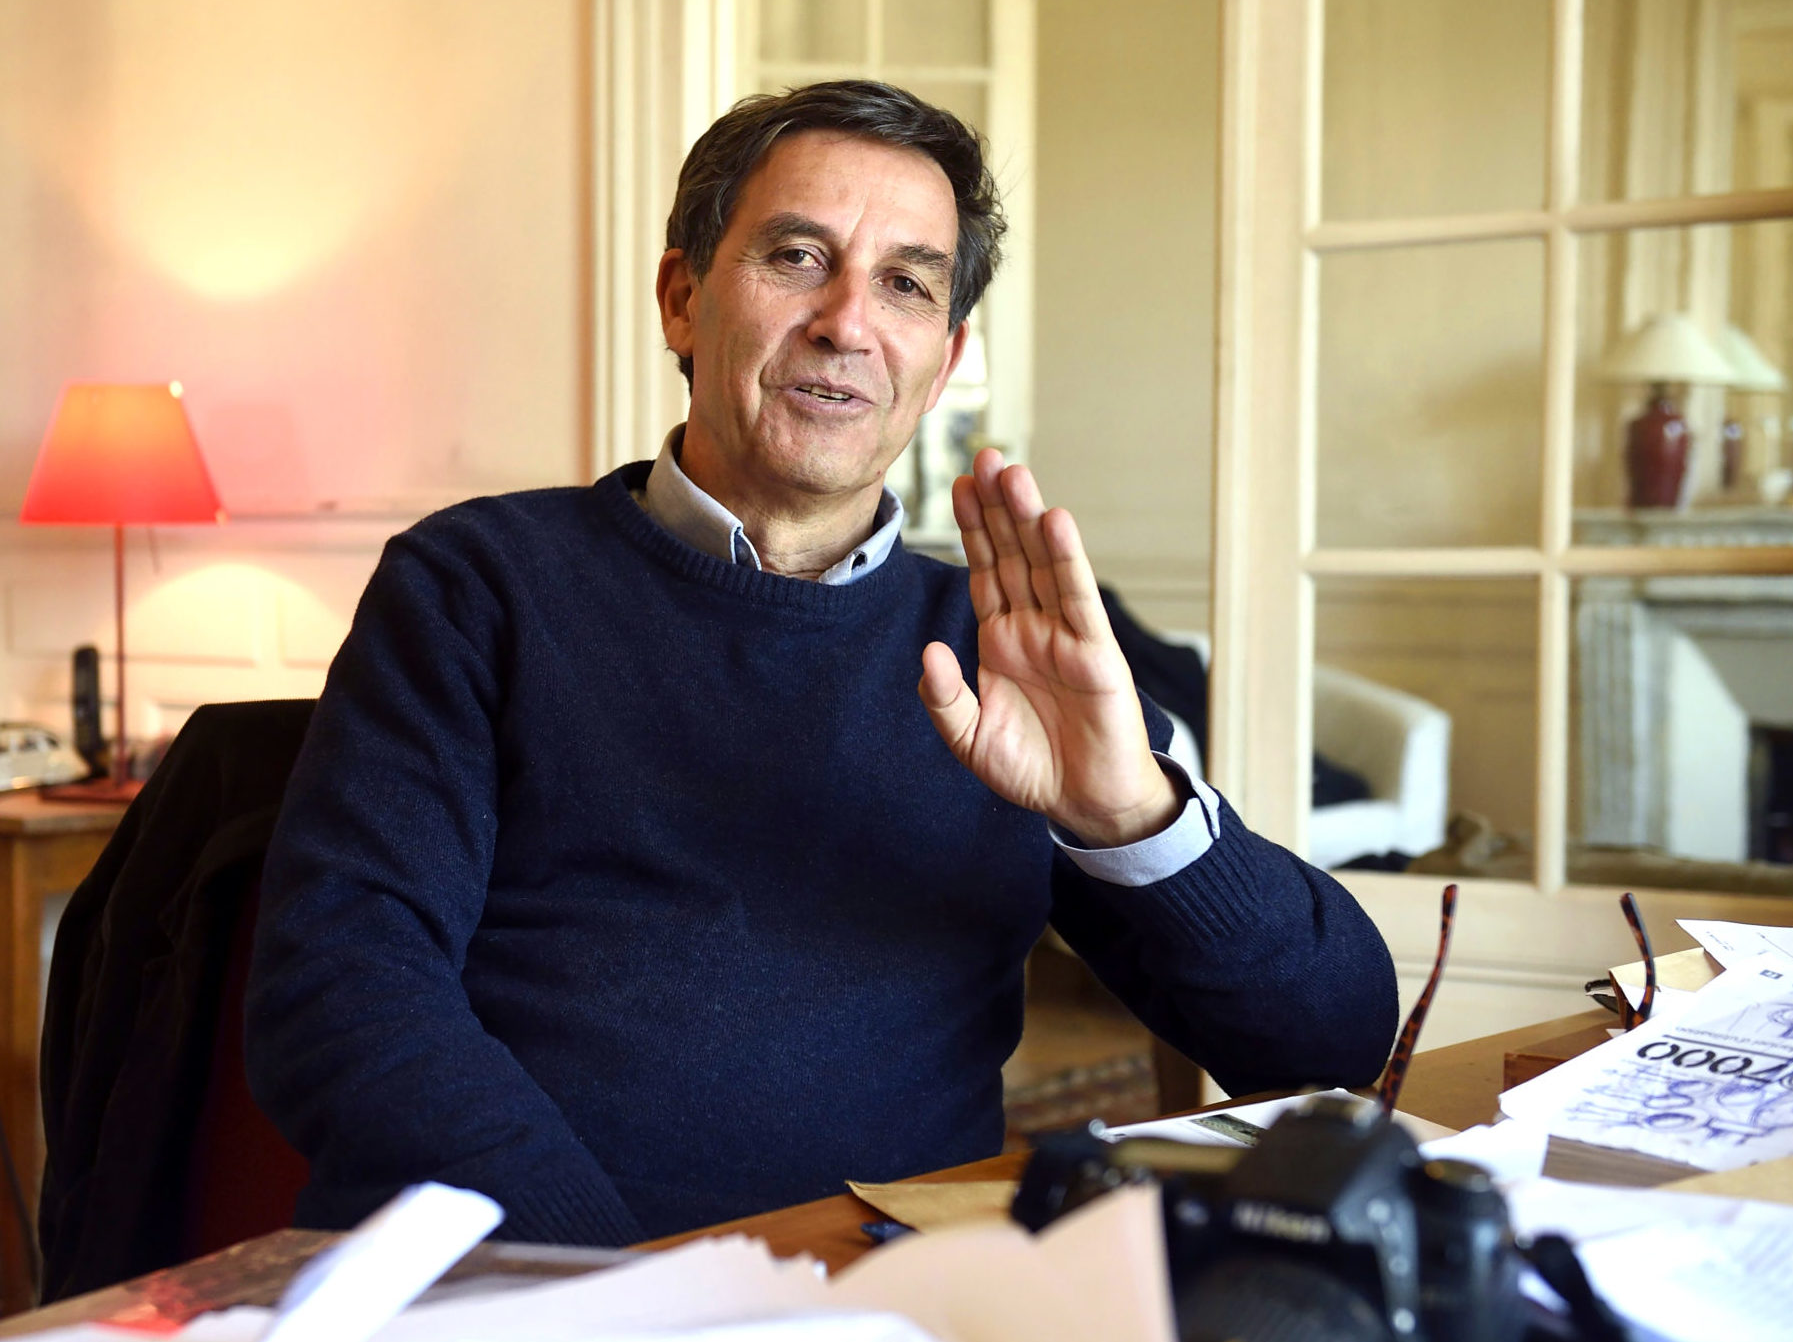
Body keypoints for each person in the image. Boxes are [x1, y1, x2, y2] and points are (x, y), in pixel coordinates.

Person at [245, 80, 1397, 1247]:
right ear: (682, 299)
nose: (848, 322)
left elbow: (1333, 1040)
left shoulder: (1000, 646)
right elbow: (344, 997)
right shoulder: (478, 584)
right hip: (534, 1286)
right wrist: (625, 1299)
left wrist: (1125, 812)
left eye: (906, 283)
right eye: (798, 257)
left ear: (940, 364)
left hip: (886, 1295)